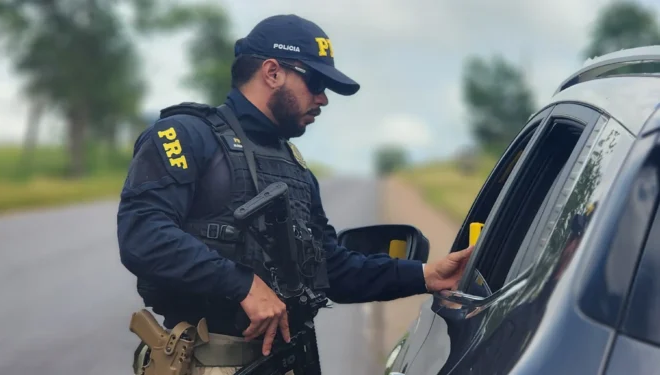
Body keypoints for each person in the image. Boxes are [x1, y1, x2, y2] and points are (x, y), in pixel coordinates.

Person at [117, 13, 474, 375]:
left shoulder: (295, 167)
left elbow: (330, 268)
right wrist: (242, 285)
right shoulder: (186, 135)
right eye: (316, 81)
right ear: (272, 72)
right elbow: (143, 235)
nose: (323, 98)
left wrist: (426, 276)